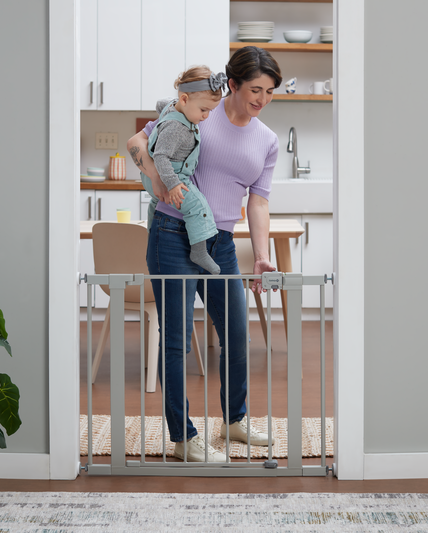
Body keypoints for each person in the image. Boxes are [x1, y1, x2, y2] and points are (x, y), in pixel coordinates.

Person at [127, 46, 282, 462]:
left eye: (269, 92)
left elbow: (259, 202)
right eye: (255, 89)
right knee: (176, 341)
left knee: (235, 332)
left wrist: (262, 255)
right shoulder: (200, 113)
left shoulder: (267, 140)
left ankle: (234, 419)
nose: (261, 100)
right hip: (172, 234)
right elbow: (138, 140)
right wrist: (155, 178)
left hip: (222, 242)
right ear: (231, 84)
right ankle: (183, 438)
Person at [142, 65, 225, 275]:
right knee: (198, 205)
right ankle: (199, 251)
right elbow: (161, 156)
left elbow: (162, 103)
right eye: (204, 110)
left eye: (210, 111)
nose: (206, 116)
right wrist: (173, 183)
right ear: (185, 99)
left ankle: (152, 239)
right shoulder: (176, 128)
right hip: (171, 175)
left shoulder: (173, 105)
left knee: (156, 203)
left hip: (153, 179)